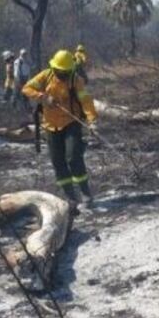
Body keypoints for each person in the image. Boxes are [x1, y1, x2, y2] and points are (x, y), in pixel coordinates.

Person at [22, 49, 97, 210]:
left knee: (73, 158)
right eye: (59, 71)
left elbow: (86, 101)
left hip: (71, 123)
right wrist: (43, 97)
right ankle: (71, 198)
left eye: (65, 71)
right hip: (50, 126)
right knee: (58, 162)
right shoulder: (45, 76)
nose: (62, 74)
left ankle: (85, 193)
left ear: (70, 70)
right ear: (54, 67)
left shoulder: (75, 80)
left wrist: (92, 121)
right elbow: (27, 88)